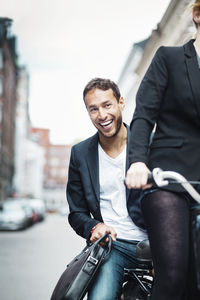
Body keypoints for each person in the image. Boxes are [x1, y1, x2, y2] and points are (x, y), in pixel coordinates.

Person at [125, 1, 200, 299]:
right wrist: (138, 162)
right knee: (173, 274)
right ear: (197, 15)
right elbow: (143, 115)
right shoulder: (169, 58)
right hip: (168, 177)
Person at [66, 77, 147, 300]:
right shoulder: (80, 154)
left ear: (121, 102)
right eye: (93, 109)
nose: (101, 115)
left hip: (157, 245)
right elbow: (77, 213)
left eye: (107, 105)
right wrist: (94, 228)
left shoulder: (149, 145)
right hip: (112, 247)